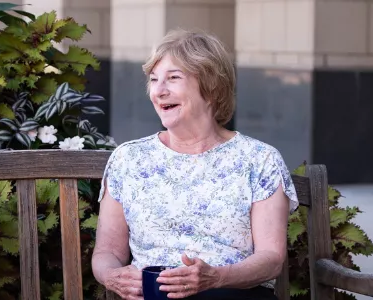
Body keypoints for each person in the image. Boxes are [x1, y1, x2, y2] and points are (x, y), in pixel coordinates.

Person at [90, 29, 298, 300]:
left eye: (173, 78)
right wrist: (112, 276)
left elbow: (271, 258)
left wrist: (216, 278)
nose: (159, 91)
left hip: (230, 295)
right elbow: (108, 252)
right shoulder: (128, 159)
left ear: (211, 88)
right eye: (154, 80)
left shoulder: (259, 160)